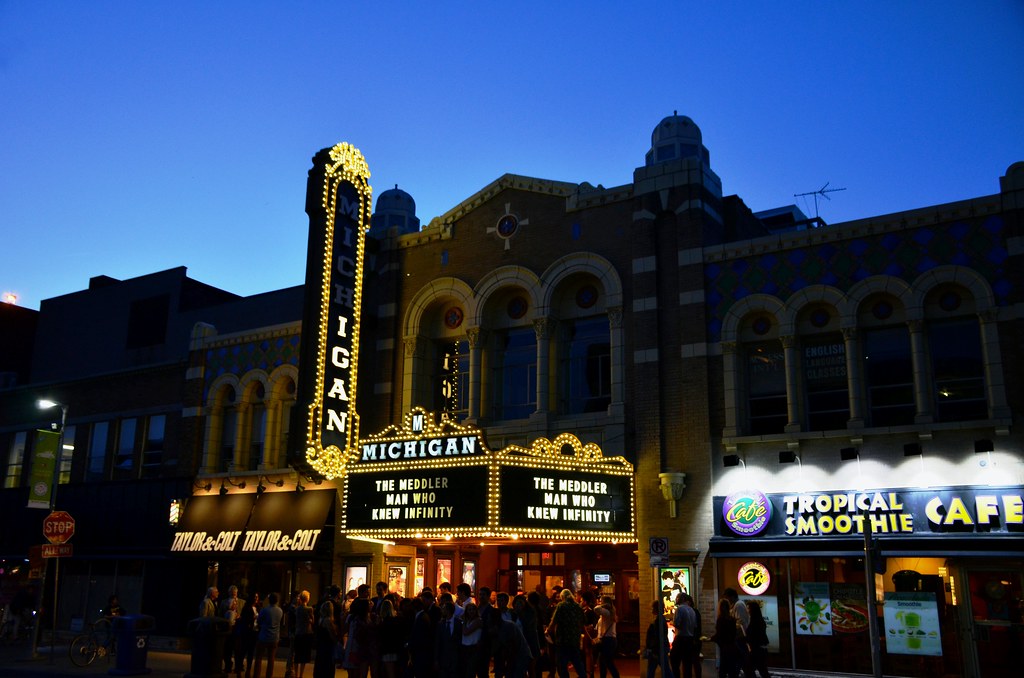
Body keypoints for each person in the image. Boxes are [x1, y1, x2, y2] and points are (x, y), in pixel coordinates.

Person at [546, 589, 587, 678]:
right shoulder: (578, 606)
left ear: (562, 597)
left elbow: (554, 620)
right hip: (575, 639)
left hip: (562, 639)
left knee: (561, 664)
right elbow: (583, 622)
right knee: (577, 662)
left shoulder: (561, 606)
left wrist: (548, 630)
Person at [254, 592, 284, 678]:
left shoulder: (264, 610)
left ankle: (257, 675)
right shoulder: (280, 611)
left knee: (259, 658)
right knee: (271, 659)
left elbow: (259, 621)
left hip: (263, 636)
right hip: (274, 638)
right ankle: (269, 675)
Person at [313, 586, 341, 678]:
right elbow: (333, 635)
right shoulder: (328, 621)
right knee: (328, 665)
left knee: (320, 663)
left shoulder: (321, 620)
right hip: (328, 645)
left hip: (321, 644)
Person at [722, 589, 749, 678]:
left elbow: (741, 623)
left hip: (739, 638)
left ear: (732, 596)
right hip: (738, 637)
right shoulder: (736, 605)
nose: (727, 600)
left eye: (727, 598)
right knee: (741, 660)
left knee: (740, 660)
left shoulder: (739, 605)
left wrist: (730, 630)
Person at [343, 597, 372, 678]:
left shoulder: (351, 617)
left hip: (351, 647)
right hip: (359, 648)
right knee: (358, 671)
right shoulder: (364, 620)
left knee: (352, 672)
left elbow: (345, 630)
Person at [670, 594, 698, 678]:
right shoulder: (692, 610)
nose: (676, 599)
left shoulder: (680, 609)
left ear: (681, 599)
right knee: (687, 664)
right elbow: (695, 625)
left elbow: (677, 623)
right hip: (690, 639)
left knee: (674, 661)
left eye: (677, 597)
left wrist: (672, 623)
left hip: (680, 638)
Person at [376, 599, 405, 678]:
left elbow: (380, 636)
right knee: (393, 672)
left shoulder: (383, 622)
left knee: (389, 672)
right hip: (394, 649)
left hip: (386, 650)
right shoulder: (396, 620)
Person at [710, 599, 738, 678]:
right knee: (731, 669)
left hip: (724, 646)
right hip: (732, 646)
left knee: (723, 670)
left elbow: (719, 634)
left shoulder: (721, 619)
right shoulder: (732, 619)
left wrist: (710, 639)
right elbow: (734, 633)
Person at [643, 600, 672, 678]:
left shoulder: (657, 621)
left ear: (656, 609)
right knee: (665, 669)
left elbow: (657, 637)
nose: (651, 610)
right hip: (659, 649)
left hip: (656, 650)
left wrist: (653, 650)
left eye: (652, 608)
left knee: (652, 670)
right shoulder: (661, 620)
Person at [593, 596, 619, 678]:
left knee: (606, 661)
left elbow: (596, 609)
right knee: (606, 661)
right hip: (609, 640)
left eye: (601, 601)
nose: (600, 602)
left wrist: (603, 605)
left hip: (607, 640)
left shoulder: (607, 612)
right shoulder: (609, 613)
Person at [291, 591, 314, 678]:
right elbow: (312, 621)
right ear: (307, 599)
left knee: (297, 655)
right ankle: (301, 675)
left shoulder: (297, 609)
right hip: (306, 633)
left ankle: (296, 674)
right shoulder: (310, 609)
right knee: (304, 656)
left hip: (298, 632)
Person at [744, 601, 770, 678]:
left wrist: (745, 638)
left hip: (757, 650)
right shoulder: (758, 620)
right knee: (762, 670)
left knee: (750, 669)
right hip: (759, 650)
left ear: (752, 610)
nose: (747, 610)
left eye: (748, 608)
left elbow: (754, 635)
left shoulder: (755, 622)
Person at [238, 592, 261, 678]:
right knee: (243, 651)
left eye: (257, 597)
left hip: (254, 632)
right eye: (255, 597)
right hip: (247, 632)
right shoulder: (246, 608)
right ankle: (239, 670)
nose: (256, 598)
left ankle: (248, 670)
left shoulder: (258, 608)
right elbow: (244, 620)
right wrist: (253, 618)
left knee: (251, 653)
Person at [221, 586, 243, 674]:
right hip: (228, 628)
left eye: (235, 593)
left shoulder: (242, 602)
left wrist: (239, 616)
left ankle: (238, 667)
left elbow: (244, 615)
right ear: (229, 593)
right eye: (232, 593)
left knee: (238, 649)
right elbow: (220, 614)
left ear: (237, 593)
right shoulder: (224, 602)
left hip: (237, 628)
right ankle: (228, 666)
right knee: (227, 649)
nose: (233, 594)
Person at [460, 602, 484, 678]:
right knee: (464, 671)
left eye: (473, 609)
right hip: (465, 648)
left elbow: (466, 632)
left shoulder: (478, 621)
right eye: (469, 610)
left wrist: (463, 622)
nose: (471, 611)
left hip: (473, 649)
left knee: (470, 672)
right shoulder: (467, 621)